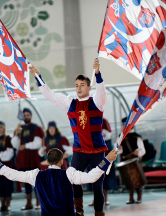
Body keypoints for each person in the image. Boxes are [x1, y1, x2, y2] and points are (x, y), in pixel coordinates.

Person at [30, 59, 108, 216]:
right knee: (73, 180)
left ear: (89, 87)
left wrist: (98, 73)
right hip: (79, 150)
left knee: (97, 186)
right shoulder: (69, 103)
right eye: (77, 85)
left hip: (97, 150)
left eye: (82, 85)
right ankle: (78, 210)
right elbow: (49, 95)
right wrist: (38, 77)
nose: (79, 88)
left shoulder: (97, 102)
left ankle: (99, 213)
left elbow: (101, 91)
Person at [0, 148, 118, 216]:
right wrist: (107, 160)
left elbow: (12, 174)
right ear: (61, 161)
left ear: (47, 162)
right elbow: (91, 177)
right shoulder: (69, 173)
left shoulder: (35, 175)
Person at [11, 108, 45, 210]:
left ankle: (39, 202)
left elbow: (38, 144)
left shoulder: (36, 128)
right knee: (26, 182)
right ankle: (28, 202)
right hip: (23, 159)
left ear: (31, 116)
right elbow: (15, 145)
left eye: (27, 115)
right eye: (24, 115)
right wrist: (17, 134)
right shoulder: (19, 128)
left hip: (33, 158)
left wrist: (25, 145)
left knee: (36, 180)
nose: (26, 117)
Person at [89, 118, 116, 206]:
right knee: (93, 176)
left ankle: (105, 198)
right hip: (93, 153)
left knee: (104, 177)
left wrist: (99, 133)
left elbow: (107, 135)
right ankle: (95, 198)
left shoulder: (103, 120)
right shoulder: (88, 120)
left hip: (104, 154)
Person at [118, 117, 146, 204]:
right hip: (125, 161)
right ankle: (131, 198)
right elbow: (118, 150)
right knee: (128, 180)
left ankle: (139, 197)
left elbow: (142, 150)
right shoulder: (120, 136)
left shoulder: (137, 136)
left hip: (134, 161)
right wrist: (118, 149)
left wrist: (137, 152)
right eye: (123, 124)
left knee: (137, 179)